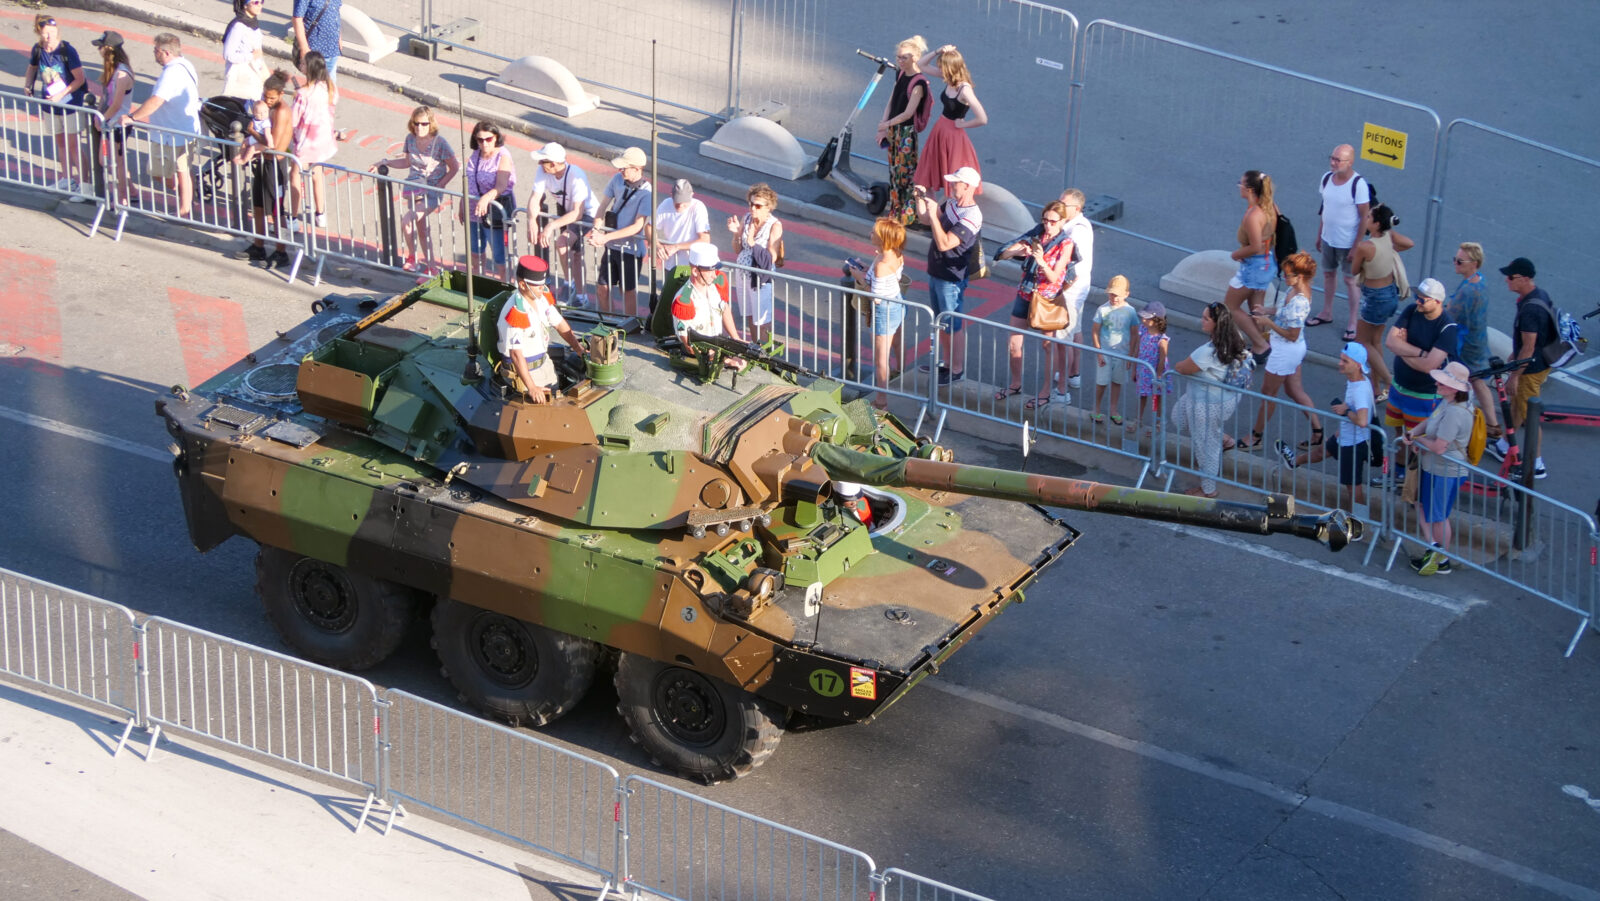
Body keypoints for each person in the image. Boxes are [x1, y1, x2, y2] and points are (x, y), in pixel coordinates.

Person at [1276, 342, 1376, 514]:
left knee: (1353, 485)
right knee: (1322, 451)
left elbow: (1362, 421)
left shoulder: (1359, 390)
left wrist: (1345, 412)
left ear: (1358, 365)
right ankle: (1294, 462)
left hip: (1353, 444)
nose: (1340, 363)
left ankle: (1359, 521)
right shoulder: (1358, 380)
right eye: (1341, 359)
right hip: (1346, 436)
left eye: (1345, 361)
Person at [995, 200, 1074, 407]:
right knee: (1014, 342)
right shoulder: (1036, 234)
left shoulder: (1066, 244)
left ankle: (1046, 391)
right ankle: (1016, 383)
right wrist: (1015, 252)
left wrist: (1041, 261)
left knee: (1048, 346)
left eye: (1053, 222)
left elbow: (1055, 276)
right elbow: (1001, 253)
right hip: (1026, 292)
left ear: (1062, 221)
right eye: (1045, 220)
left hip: (1047, 299)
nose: (1048, 226)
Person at [1244, 251, 1323, 450]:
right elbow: (1284, 313)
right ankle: (1318, 432)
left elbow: (1292, 334)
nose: (1284, 277)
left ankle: (1256, 437)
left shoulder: (1300, 301)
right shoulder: (1296, 290)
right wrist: (1266, 310)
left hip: (1285, 350)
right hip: (1293, 349)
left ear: (1300, 276)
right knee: (1294, 390)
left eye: (1288, 275)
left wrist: (1267, 322)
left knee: (1268, 394)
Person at [1401, 361, 1473, 576]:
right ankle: (1436, 550)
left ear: (1454, 388)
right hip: (1436, 468)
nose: (1437, 383)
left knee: (1438, 516)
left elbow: (1439, 447)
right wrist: (1415, 433)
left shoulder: (1455, 413)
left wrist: (1418, 441)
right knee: (1424, 507)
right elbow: (1430, 422)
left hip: (1444, 470)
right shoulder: (1449, 402)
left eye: (1443, 382)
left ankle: (1441, 558)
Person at [1488, 257, 1556, 479]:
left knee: (1529, 414)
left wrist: (1514, 376)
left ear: (1525, 279)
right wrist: (1514, 354)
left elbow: (1529, 346)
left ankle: (1536, 463)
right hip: (1540, 363)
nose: (1506, 280)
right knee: (1518, 407)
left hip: (1530, 369)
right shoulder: (1538, 295)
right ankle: (1504, 446)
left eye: (1511, 277)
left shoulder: (1530, 310)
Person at [1173, 303, 1251, 498]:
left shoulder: (1207, 352)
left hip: (1206, 404)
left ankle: (1208, 489)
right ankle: (1223, 439)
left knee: (1205, 446)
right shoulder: (1235, 338)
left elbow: (1182, 368)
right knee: (1179, 418)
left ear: (1217, 324)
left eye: (1206, 318)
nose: (1202, 321)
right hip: (1222, 399)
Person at [369, 106, 459, 273]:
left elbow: (454, 167)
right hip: (415, 189)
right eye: (416, 123)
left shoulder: (440, 143)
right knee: (422, 229)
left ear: (431, 123)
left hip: (431, 192)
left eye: (424, 124)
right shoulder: (410, 139)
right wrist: (385, 162)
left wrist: (441, 185)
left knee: (407, 221)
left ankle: (413, 258)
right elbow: (407, 163)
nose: (420, 127)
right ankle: (431, 268)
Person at [1383, 277, 1458, 473]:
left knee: (1416, 441)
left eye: (1423, 299)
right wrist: (1421, 353)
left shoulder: (1447, 328)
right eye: (1417, 296)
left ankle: (1413, 483)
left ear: (1437, 302)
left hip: (1424, 395)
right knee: (1400, 436)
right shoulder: (1411, 310)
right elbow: (1390, 342)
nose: (1417, 301)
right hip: (1399, 386)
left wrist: (1403, 349)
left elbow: (1430, 367)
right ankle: (1398, 474)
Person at [917, 168, 983, 385]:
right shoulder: (952, 203)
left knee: (952, 324)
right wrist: (922, 199)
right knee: (941, 322)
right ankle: (945, 364)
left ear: (967, 187)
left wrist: (936, 213)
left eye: (956, 183)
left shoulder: (972, 216)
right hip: (937, 271)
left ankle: (956, 369)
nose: (952, 186)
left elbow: (945, 243)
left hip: (951, 277)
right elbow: (927, 220)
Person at [124, 34, 201, 218]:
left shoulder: (171, 73)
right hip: (179, 130)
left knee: (172, 171)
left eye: (156, 50)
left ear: (166, 52)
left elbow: (156, 100)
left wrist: (132, 117)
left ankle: (184, 209)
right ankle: (188, 198)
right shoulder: (185, 64)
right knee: (179, 170)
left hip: (173, 132)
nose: (154, 53)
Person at [1347, 202, 1415, 403]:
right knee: (1374, 341)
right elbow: (1409, 243)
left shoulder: (1365, 247)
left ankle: (1388, 379)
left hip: (1375, 298)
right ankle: (1376, 388)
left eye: (1369, 217)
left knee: (1362, 340)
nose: (1366, 219)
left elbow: (1354, 270)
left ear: (1376, 224)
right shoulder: (1389, 236)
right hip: (1390, 295)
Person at [496, 256, 585, 404]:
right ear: (523, 285)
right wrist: (531, 387)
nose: (543, 289)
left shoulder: (540, 299)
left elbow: (559, 324)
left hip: (544, 364)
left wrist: (578, 348)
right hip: (525, 373)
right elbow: (516, 354)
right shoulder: (516, 312)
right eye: (538, 287)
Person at [23, 15, 91, 197]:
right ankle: (67, 179)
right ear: (38, 33)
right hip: (50, 105)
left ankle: (85, 186)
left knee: (74, 145)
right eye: (45, 34)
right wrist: (28, 84)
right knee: (61, 143)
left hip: (70, 104)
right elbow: (32, 68)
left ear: (57, 31)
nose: (49, 37)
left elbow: (80, 79)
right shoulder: (38, 50)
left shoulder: (67, 51)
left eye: (52, 33)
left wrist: (61, 94)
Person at [845, 218, 908, 410]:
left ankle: (881, 401)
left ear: (884, 239)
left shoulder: (881, 263)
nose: (870, 234)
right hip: (897, 302)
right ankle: (901, 370)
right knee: (896, 341)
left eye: (874, 233)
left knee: (881, 358)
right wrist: (865, 269)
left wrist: (859, 278)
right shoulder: (893, 254)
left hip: (884, 310)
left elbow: (876, 296)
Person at [1311, 144, 1372, 337]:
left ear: (1350, 162)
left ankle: (1353, 322)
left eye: (1338, 160)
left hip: (1348, 243)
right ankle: (1326, 312)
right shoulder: (1327, 178)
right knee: (1328, 274)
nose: (1333, 162)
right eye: (1332, 158)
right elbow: (1325, 207)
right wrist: (1320, 234)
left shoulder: (1358, 185)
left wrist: (1356, 247)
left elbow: (1364, 217)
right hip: (1329, 238)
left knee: (1350, 280)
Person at [527, 142, 598, 306]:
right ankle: (580, 296)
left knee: (562, 243)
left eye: (542, 161)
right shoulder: (542, 171)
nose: (539, 164)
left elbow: (578, 213)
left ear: (553, 164)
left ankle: (570, 285)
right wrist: (531, 220)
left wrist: (551, 226)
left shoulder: (576, 175)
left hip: (585, 214)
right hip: (566, 211)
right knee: (575, 253)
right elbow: (535, 198)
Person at [911, 45, 986, 197]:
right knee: (928, 175)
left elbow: (982, 118)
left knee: (953, 176)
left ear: (950, 68)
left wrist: (963, 124)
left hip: (953, 135)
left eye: (942, 68)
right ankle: (931, 214)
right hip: (940, 129)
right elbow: (920, 65)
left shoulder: (964, 89)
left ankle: (948, 214)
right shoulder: (950, 80)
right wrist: (938, 51)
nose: (940, 71)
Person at [587, 147, 652, 317]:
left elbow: (637, 226)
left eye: (624, 168)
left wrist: (606, 236)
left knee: (628, 291)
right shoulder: (617, 179)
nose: (620, 170)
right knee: (602, 287)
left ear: (637, 169)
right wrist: (596, 229)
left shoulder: (647, 193)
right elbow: (603, 206)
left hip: (630, 250)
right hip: (612, 246)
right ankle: (608, 321)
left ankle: (629, 326)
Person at [241, 70, 294, 268]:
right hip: (264, 162)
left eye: (271, 97)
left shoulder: (281, 111)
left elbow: (273, 145)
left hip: (276, 165)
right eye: (265, 96)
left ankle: (282, 252)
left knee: (277, 210)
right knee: (258, 207)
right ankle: (258, 246)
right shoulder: (268, 108)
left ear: (281, 95)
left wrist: (252, 131)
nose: (267, 101)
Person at [874, 35, 930, 227]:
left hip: (905, 133)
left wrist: (887, 124)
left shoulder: (919, 83)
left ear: (915, 57)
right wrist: (883, 124)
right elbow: (892, 98)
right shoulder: (900, 74)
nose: (899, 61)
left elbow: (908, 113)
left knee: (905, 175)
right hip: (894, 130)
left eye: (903, 58)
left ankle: (905, 215)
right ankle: (895, 211)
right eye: (898, 57)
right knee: (894, 173)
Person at [1445, 241, 1498, 436]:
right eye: (1455, 259)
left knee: (1466, 381)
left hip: (1466, 344)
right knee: (1477, 381)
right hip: (1477, 339)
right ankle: (1492, 425)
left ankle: (1472, 425)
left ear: (1473, 263)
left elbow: (1450, 314)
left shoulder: (1468, 290)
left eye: (1459, 261)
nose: (1455, 263)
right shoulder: (1479, 280)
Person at [1223, 170, 1276, 357]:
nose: (1239, 186)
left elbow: (1254, 246)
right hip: (1267, 264)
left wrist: (1236, 254)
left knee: (1231, 306)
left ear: (1250, 189)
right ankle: (1263, 341)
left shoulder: (1254, 215)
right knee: (1257, 309)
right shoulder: (1271, 208)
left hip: (1253, 267)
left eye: (1241, 183)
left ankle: (1261, 344)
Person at [670, 243, 744, 369]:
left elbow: (724, 308)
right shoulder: (684, 301)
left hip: (717, 348)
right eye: (710, 270)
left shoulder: (713, 286)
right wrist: (725, 360)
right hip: (699, 359)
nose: (715, 275)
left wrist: (736, 339)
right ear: (695, 271)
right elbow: (689, 346)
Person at [727, 183, 785, 343]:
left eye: (758, 206)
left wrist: (752, 242)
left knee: (762, 320)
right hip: (743, 274)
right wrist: (735, 235)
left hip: (760, 278)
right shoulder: (746, 218)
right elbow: (738, 250)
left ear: (769, 207)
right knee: (751, 315)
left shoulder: (775, 225)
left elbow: (770, 258)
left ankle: (766, 354)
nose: (753, 208)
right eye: (751, 204)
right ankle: (755, 349)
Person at [288, 51, 336, 229]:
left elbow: (294, 120)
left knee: (295, 175)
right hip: (322, 139)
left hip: (305, 141)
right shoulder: (329, 88)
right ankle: (320, 214)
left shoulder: (302, 94)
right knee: (317, 175)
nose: (301, 65)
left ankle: (293, 217)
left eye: (303, 63)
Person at [86, 31, 135, 202]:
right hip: (110, 122)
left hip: (118, 124)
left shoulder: (122, 74)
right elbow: (105, 96)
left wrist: (102, 118)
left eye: (101, 46)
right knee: (113, 161)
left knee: (111, 162)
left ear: (109, 49)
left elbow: (116, 103)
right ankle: (130, 190)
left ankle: (122, 198)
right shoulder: (112, 70)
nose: (98, 49)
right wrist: (99, 113)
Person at [462, 120, 516, 277]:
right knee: (475, 249)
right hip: (474, 208)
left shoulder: (503, 156)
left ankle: (504, 284)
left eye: (488, 139)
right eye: (480, 140)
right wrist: (462, 203)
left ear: (496, 137)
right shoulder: (475, 154)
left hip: (494, 209)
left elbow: (501, 185)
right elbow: (469, 180)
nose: (484, 143)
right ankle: (479, 280)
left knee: (499, 252)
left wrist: (486, 198)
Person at [1058, 189, 1095, 388]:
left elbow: (1073, 264)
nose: (1060, 207)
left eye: (1064, 205)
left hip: (1071, 288)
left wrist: (1063, 287)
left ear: (1077, 208)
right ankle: (1074, 373)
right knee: (1075, 329)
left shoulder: (1077, 230)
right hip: (1079, 286)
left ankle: (1063, 384)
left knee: (1064, 336)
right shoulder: (1076, 224)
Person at [1090, 275, 1138, 424]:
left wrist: (1130, 355)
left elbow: (1135, 334)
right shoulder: (1102, 309)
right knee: (1102, 382)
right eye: (1111, 294)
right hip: (1105, 352)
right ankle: (1096, 409)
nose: (1114, 297)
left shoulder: (1130, 311)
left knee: (1117, 382)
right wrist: (1099, 352)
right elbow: (1095, 331)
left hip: (1122, 353)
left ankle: (1113, 410)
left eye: (1117, 295)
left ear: (1126, 294)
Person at [1129, 301, 1172, 434]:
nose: (1143, 319)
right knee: (1142, 396)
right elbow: (1138, 349)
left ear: (1155, 320)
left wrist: (1158, 376)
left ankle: (1157, 423)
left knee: (1155, 399)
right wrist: (1134, 368)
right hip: (1143, 371)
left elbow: (1162, 359)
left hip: (1154, 374)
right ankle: (1138, 420)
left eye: (1146, 318)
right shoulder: (1143, 330)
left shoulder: (1162, 339)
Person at [652, 179, 711, 271]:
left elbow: (705, 239)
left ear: (691, 195)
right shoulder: (666, 204)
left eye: (684, 202)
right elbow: (649, 227)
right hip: (671, 264)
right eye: (677, 201)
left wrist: (677, 247)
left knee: (683, 284)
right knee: (671, 284)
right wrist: (657, 245)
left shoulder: (698, 207)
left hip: (691, 265)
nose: (681, 205)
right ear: (671, 195)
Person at [292, 0, 341, 102]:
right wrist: (304, 48)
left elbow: (335, 12)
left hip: (332, 49)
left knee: (330, 92)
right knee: (316, 92)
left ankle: (325, 114)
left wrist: (339, 36)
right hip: (315, 52)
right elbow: (297, 19)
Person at [221, 0, 269, 101]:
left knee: (260, 109)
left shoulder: (253, 21)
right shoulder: (238, 26)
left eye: (262, 1)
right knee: (242, 109)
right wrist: (251, 56)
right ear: (245, 5)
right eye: (256, 2)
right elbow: (228, 55)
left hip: (255, 73)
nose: (260, 5)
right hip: (242, 76)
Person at [236, 100, 272, 165]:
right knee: (244, 142)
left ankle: (244, 160)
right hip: (255, 138)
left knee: (252, 149)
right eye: (259, 113)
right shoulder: (255, 120)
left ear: (268, 110)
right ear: (254, 113)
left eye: (265, 112)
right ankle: (240, 155)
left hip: (262, 141)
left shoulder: (265, 122)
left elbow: (268, 134)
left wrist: (270, 143)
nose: (262, 115)